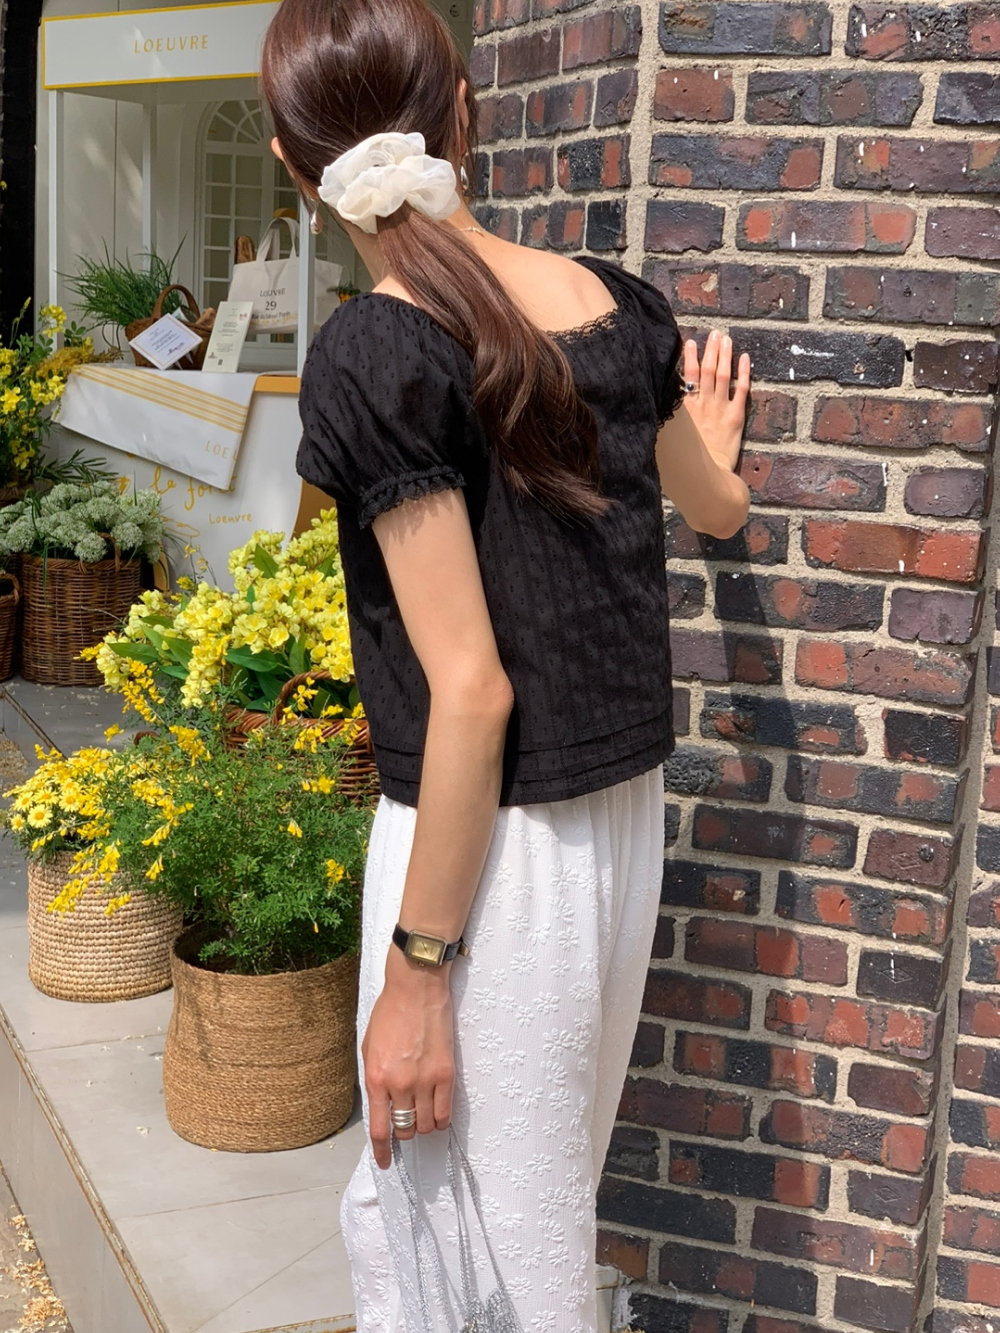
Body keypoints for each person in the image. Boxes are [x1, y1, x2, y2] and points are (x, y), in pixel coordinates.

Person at [262, 1, 751, 1328]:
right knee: (525, 1210)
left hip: (484, 856)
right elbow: (716, 510)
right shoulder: (618, 305)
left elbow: (471, 688)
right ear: (466, 113)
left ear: (293, 165)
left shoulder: (377, 352)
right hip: (614, 828)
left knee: (459, 1238)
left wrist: (417, 971)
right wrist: (710, 436)